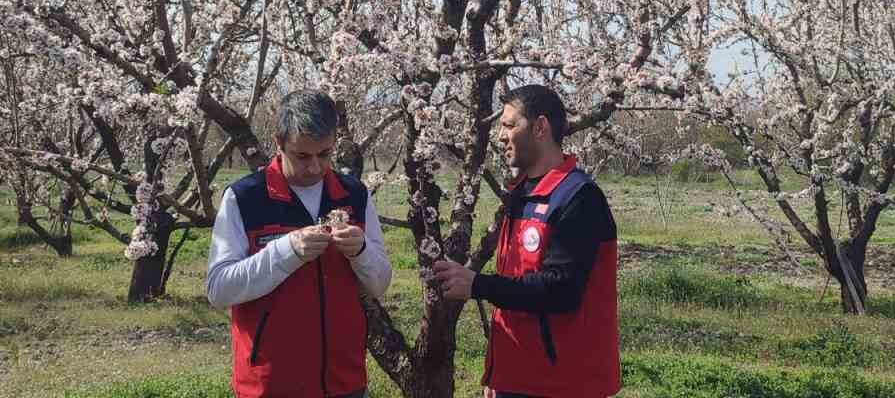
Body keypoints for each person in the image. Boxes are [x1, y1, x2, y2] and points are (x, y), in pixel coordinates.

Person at [430, 84, 621, 398]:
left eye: (509, 125)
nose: (500, 136)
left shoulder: (578, 198)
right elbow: (515, 281)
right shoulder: (521, 193)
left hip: (562, 384)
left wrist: (478, 285)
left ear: (540, 127)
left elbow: (561, 290)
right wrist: (499, 372)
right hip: (517, 377)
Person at [206, 90, 392, 398]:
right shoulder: (245, 198)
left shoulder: (354, 194)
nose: (316, 167)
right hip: (271, 384)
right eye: (303, 156)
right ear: (279, 143)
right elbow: (219, 289)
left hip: (344, 382)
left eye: (325, 154)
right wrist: (287, 251)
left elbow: (380, 284)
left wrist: (361, 252)